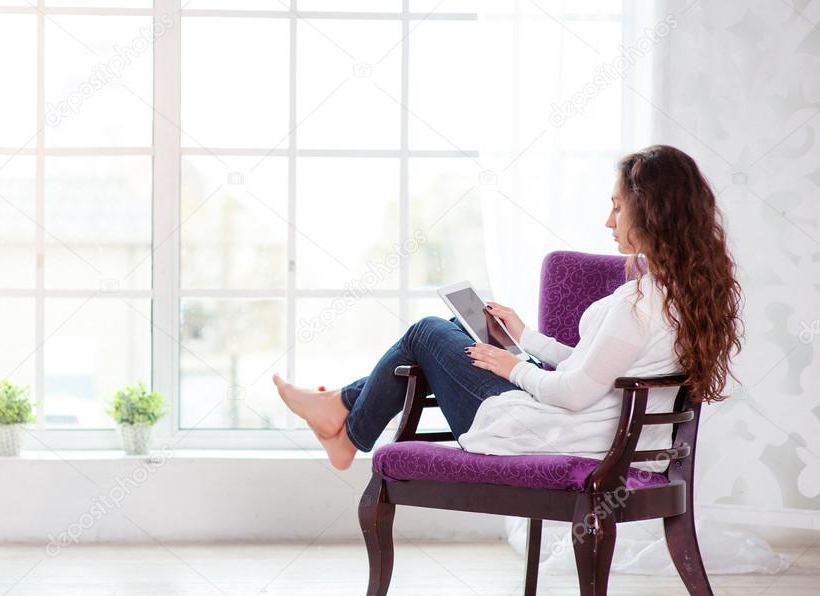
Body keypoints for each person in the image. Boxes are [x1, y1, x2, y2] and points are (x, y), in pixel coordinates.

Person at [274, 145, 743, 471]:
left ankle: (342, 423)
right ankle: (341, 418)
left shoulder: (638, 305)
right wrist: (525, 337)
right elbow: (598, 367)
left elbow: (577, 392)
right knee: (462, 325)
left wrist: (513, 364)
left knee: (426, 332)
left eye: (617, 207)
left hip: (547, 435)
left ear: (651, 212)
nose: (608, 221)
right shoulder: (682, 294)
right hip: (592, 432)